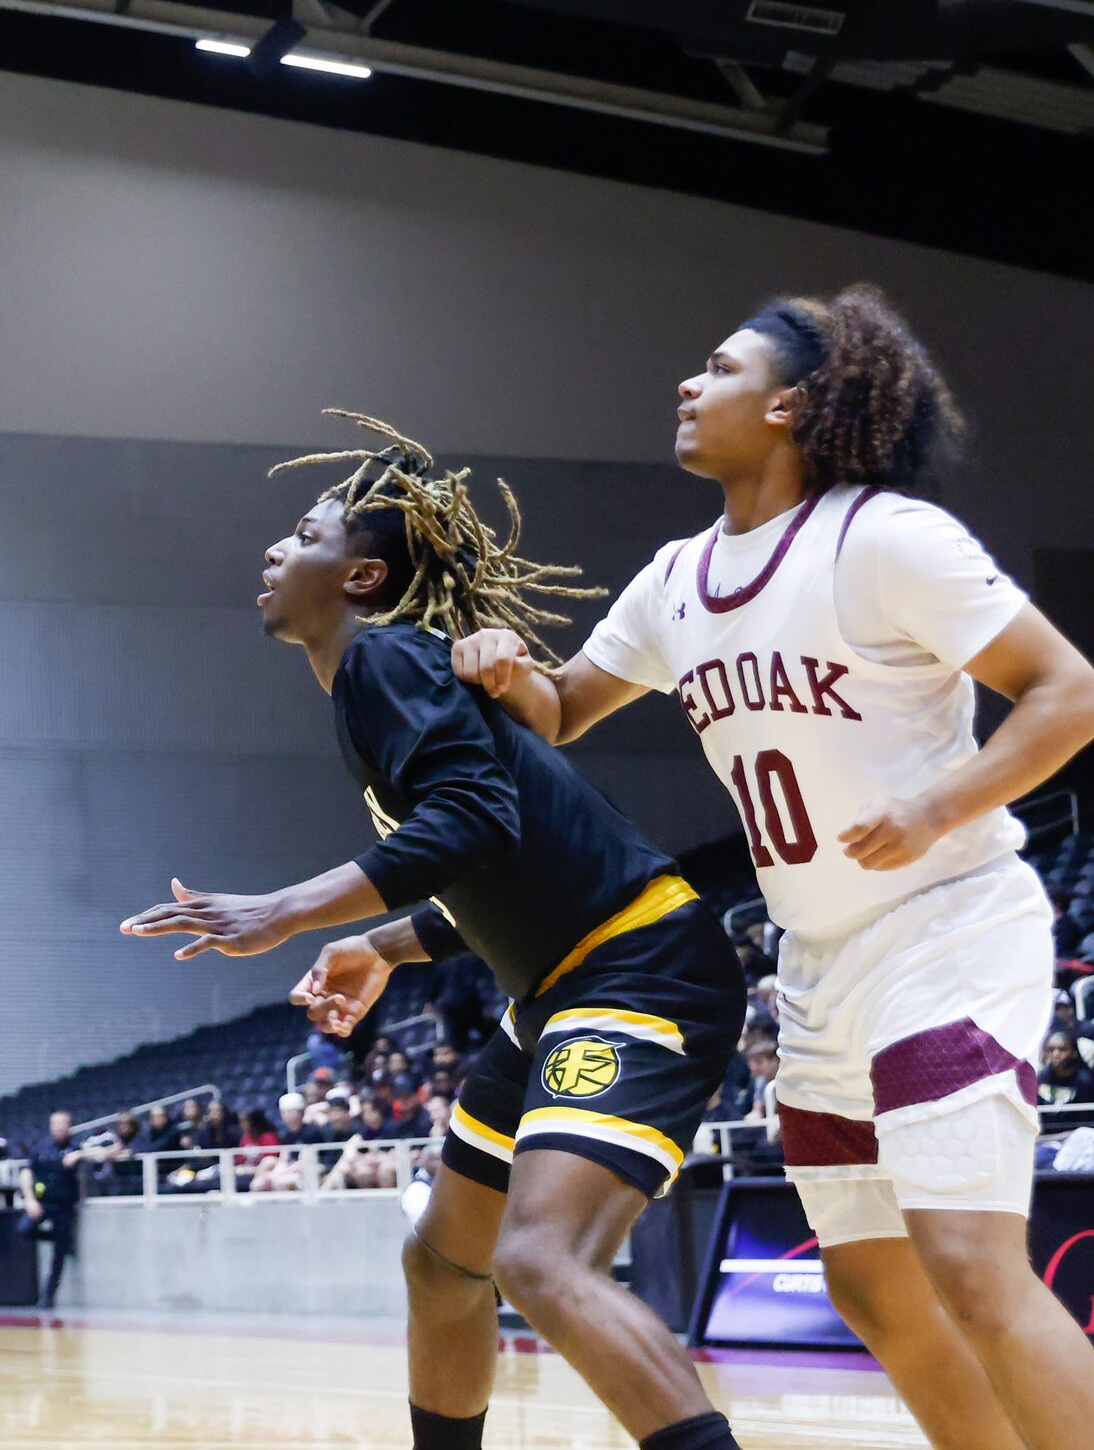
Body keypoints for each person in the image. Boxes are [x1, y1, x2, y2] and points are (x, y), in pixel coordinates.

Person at [453, 285, 1094, 1450]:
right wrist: (507, 665)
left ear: (791, 406)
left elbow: (1072, 694)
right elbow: (560, 711)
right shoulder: (676, 579)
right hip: (817, 966)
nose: (687, 384)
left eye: (716, 368)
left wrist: (936, 804)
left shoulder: (884, 537)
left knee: (966, 1260)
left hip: (945, 924)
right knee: (868, 1287)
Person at [125, 413, 750, 1450]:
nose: (276, 548)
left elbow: (471, 823)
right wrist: (379, 944)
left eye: (307, 532)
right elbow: (494, 860)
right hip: (558, 987)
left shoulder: (382, 664)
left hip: (638, 973)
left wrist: (284, 910)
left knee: (538, 1261)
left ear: (361, 578)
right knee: (440, 1259)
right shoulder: (391, 683)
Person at [21, 1110, 88, 1307]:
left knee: (58, 1257)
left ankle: (48, 1296)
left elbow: (102, 1153)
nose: (59, 1129)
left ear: (69, 1127)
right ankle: (64, 1240)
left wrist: (80, 1154)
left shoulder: (77, 1145)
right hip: (43, 1202)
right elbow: (27, 1171)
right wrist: (30, 1199)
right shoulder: (41, 1146)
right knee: (25, 1229)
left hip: (65, 1205)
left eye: (63, 1125)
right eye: (55, 1125)